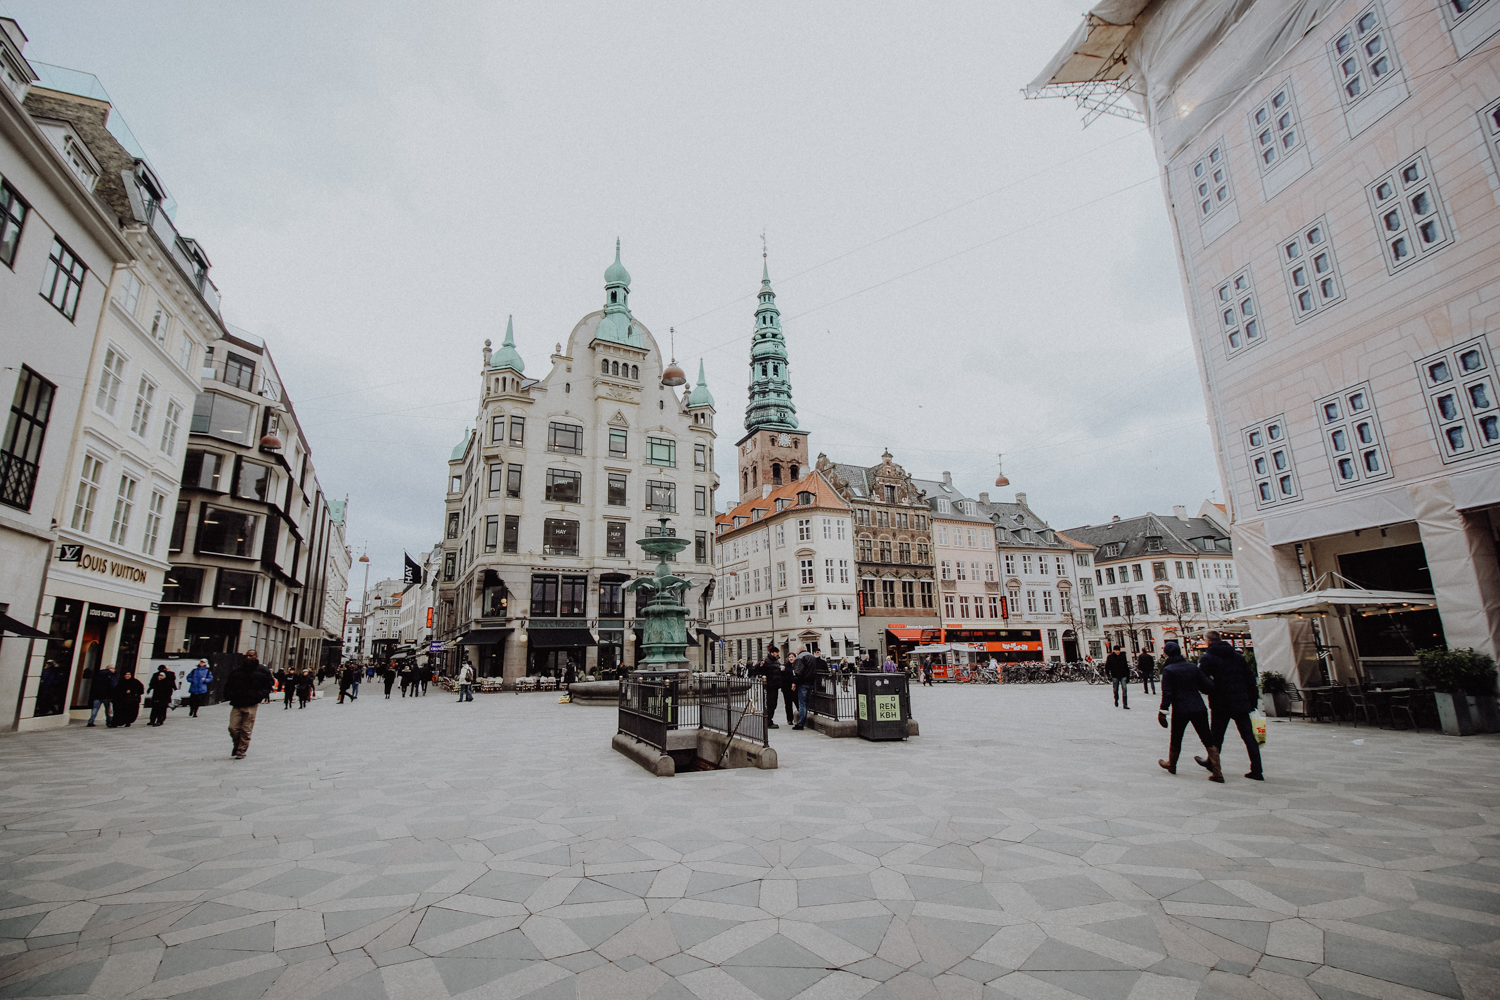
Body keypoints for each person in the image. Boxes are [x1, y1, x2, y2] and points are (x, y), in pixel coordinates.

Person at [1195, 632, 1264, 781]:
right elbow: (1250, 680)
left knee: (1217, 736)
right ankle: (1257, 769)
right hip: (1240, 702)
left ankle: (1213, 765)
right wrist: (1252, 702)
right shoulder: (1238, 657)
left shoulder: (1207, 658)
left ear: (1208, 641)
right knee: (1248, 736)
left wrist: (1211, 690)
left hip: (1220, 702)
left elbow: (1202, 680)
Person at [1157, 640, 1218, 779]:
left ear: (1166, 655)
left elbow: (1167, 693)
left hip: (1181, 708)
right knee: (1207, 738)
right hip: (1198, 706)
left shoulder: (1168, 670)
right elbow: (1207, 686)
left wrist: (1163, 711)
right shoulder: (1192, 667)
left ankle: (1172, 764)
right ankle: (1217, 771)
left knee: (1176, 737)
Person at [223, 649, 274, 758]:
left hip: (251, 703)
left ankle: (241, 750)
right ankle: (237, 745)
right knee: (233, 728)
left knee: (246, 729)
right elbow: (228, 685)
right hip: (237, 703)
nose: (248, 658)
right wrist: (230, 695)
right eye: (246, 656)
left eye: (250, 656)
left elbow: (268, 686)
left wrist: (258, 695)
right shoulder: (237, 671)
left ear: (256, 656)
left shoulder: (263, 671)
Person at [754, 646, 791, 729]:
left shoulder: (776, 660)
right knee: (771, 703)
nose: (778, 654)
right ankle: (768, 721)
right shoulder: (767, 660)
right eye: (776, 652)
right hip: (770, 685)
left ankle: (769, 720)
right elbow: (759, 670)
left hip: (775, 685)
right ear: (772, 653)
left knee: (773, 703)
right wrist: (760, 665)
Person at [791, 646, 818, 730]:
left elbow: (798, 671)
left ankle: (801, 723)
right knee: (806, 703)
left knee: (802, 703)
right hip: (811, 682)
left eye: (797, 649)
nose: (796, 651)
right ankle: (803, 720)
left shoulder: (800, 657)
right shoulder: (812, 657)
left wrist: (795, 682)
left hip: (803, 682)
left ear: (800, 650)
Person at [1105, 645, 1131, 709]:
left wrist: (1128, 676)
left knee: (1124, 689)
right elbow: (1107, 667)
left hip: (1123, 675)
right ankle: (1116, 699)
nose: (1117, 652)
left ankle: (1125, 704)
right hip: (1115, 675)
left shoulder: (1123, 656)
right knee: (1116, 689)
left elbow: (1126, 666)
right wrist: (1108, 675)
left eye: (1118, 650)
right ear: (1114, 650)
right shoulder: (1110, 657)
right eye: (1116, 650)